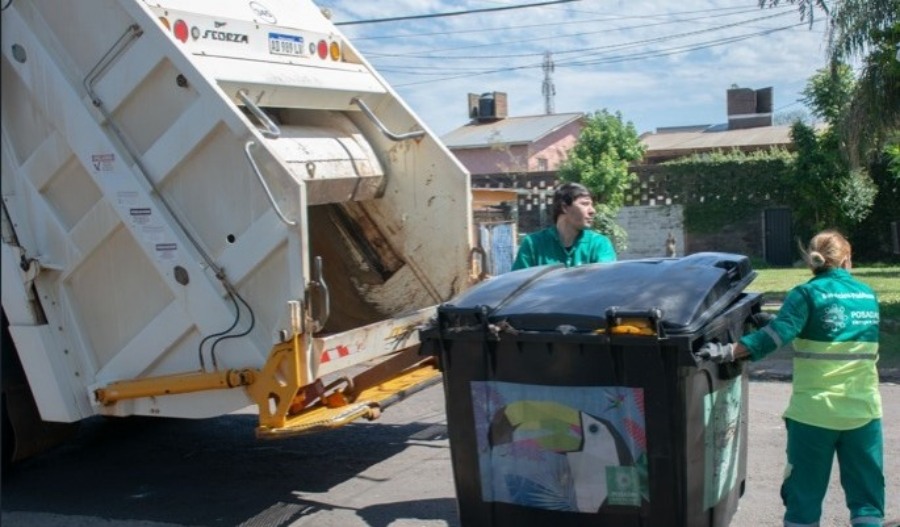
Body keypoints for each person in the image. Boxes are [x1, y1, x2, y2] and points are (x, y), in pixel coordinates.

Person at [699, 230, 884, 527]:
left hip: (814, 415)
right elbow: (837, 331)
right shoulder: (868, 296)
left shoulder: (806, 294)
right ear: (847, 259)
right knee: (867, 501)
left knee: (804, 499)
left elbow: (776, 337)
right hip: (864, 413)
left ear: (812, 260)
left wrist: (729, 351)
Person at [511, 182, 616, 270]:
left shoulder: (599, 244)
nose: (592, 211)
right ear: (565, 207)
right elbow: (518, 286)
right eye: (585, 204)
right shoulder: (533, 245)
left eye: (591, 205)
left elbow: (606, 283)